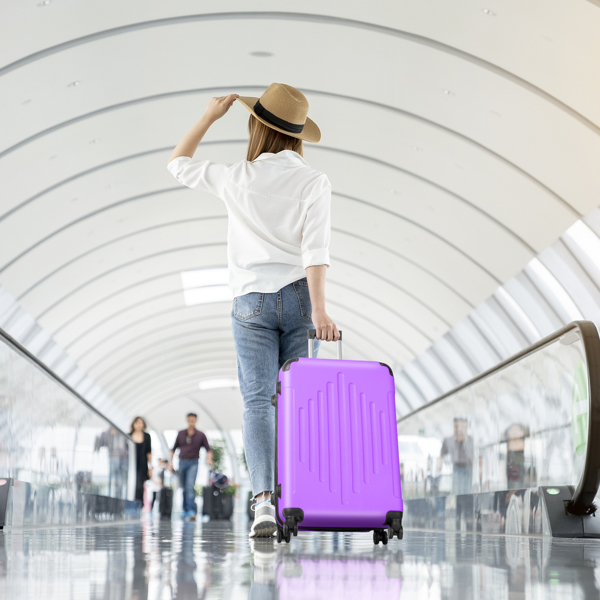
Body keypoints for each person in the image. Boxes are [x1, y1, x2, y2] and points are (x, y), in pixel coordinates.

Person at [167, 83, 339, 538]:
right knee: (295, 402)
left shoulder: (236, 177)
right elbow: (316, 252)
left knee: (257, 403)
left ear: (257, 127)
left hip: (250, 304)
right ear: (298, 136)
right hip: (301, 299)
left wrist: (207, 117)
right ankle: (296, 495)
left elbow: (177, 163)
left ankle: (264, 501)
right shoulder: (314, 182)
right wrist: (320, 312)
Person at [169, 413, 213, 521]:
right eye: (189, 420)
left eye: (193, 420)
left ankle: (191, 511)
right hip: (181, 462)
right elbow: (173, 449)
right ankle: (185, 510)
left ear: (196, 421)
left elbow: (208, 449)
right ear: (187, 420)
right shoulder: (181, 434)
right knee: (183, 487)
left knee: (190, 486)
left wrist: (209, 459)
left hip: (193, 463)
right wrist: (170, 463)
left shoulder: (201, 435)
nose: (191, 422)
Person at [439, 417, 473, 495]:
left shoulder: (470, 440)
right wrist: (440, 467)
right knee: (457, 492)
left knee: (467, 492)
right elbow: (442, 454)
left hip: (469, 469)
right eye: (456, 426)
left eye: (460, 426)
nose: (458, 429)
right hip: (456, 468)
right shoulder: (449, 440)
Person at [130, 416, 152, 504]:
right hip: (131, 464)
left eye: (141, 423)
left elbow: (149, 452)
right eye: (137, 422)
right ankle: (130, 503)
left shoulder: (147, 436)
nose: (139, 425)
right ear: (133, 424)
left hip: (142, 464)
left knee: (139, 485)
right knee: (131, 484)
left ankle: (138, 504)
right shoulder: (128, 435)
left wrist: (151, 466)